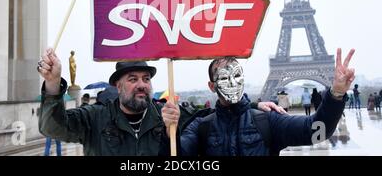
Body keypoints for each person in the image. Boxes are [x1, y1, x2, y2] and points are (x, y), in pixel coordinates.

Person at [180, 48, 355, 156]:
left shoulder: (267, 120)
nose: (233, 83)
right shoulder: (201, 126)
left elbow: (318, 131)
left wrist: (337, 94)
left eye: (237, 75)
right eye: (224, 78)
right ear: (212, 86)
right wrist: (168, 131)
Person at [37, 48, 180, 156]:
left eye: (146, 79)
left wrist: (170, 132)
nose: (142, 85)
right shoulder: (95, 117)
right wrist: (53, 83)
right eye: (133, 79)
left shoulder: (166, 116)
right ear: (118, 86)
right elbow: (51, 128)